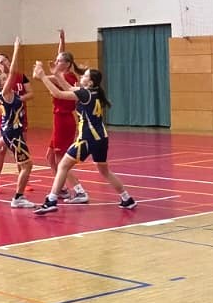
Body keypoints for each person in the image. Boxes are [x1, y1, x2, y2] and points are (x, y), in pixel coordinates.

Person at [32, 63, 136, 213]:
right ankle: (127, 198)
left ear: (90, 82)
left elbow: (58, 94)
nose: (82, 76)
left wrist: (42, 76)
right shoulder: (95, 93)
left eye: (85, 75)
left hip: (87, 138)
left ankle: (51, 200)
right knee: (105, 171)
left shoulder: (85, 94)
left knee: (62, 165)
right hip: (101, 138)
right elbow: (69, 88)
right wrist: (57, 75)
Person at [0, 51, 31, 198]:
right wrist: (2, 102)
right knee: (1, 151)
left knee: (20, 149)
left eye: (3, 60)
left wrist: (17, 99)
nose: (1, 64)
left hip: (19, 117)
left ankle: (23, 178)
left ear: (9, 61)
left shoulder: (20, 77)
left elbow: (31, 93)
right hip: (4, 120)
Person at [47, 32, 87, 204]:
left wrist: (40, 74)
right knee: (50, 156)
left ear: (67, 64)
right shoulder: (64, 74)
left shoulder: (67, 77)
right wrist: (61, 42)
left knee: (61, 159)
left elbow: (46, 77)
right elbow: (61, 59)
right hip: (59, 119)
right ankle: (61, 188)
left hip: (64, 120)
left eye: (59, 61)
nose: (56, 63)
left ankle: (79, 190)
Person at [0, 37, 35, 208]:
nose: (8, 80)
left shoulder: (13, 94)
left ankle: (19, 196)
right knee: (27, 166)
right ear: (1, 85)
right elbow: (12, 73)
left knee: (26, 165)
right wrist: (16, 49)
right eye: (4, 80)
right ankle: (18, 198)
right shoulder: (5, 94)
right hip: (12, 132)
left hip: (12, 131)